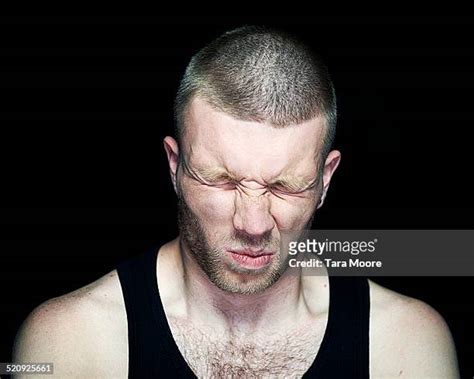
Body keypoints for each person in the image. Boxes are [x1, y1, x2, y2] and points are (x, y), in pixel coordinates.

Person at [13, 26, 460, 378]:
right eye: (222, 181)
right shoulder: (70, 342)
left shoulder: (405, 343)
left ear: (326, 179)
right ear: (174, 164)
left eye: (284, 187)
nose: (252, 223)